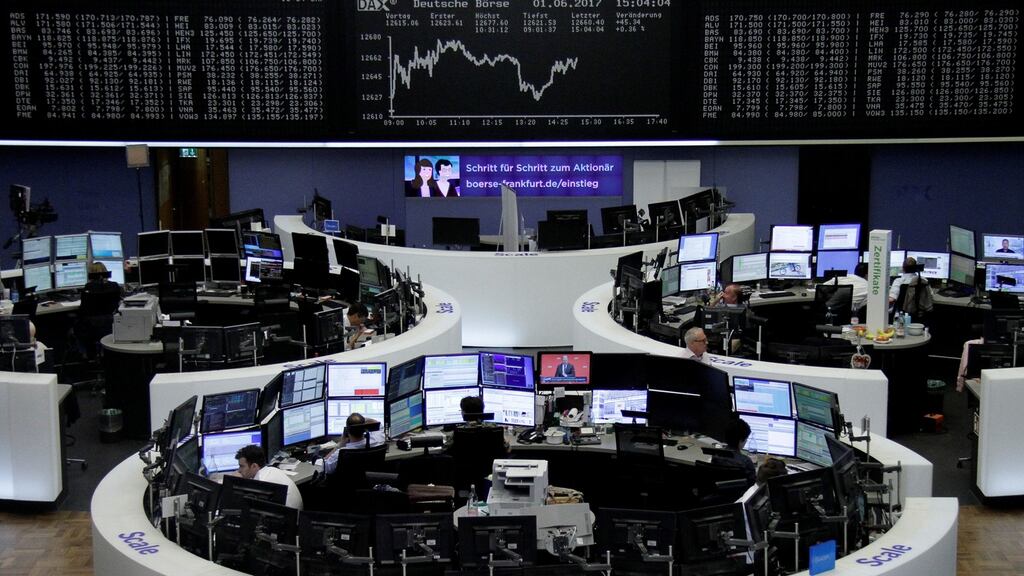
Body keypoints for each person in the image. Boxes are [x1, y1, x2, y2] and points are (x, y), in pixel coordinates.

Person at [234, 444, 303, 510]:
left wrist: (237, 482)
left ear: (254, 466)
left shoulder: (262, 482)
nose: (239, 470)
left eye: (242, 466)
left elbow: (250, 508)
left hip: (288, 519)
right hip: (293, 514)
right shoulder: (271, 470)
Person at [709, 415, 756, 486]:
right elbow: (752, 484)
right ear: (740, 441)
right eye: (746, 439)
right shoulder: (746, 461)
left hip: (719, 493)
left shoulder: (716, 456)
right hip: (740, 496)